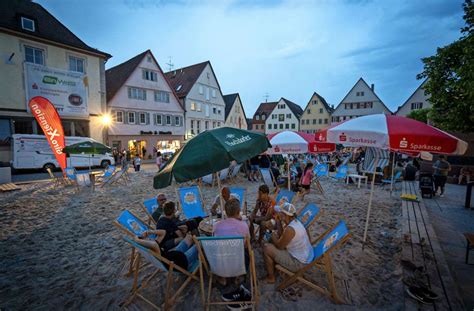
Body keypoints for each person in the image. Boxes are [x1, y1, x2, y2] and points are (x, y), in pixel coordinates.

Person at [214, 198, 253, 307]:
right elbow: (247, 244)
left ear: (225, 212)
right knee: (247, 252)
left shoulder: (216, 226)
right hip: (237, 264)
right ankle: (237, 281)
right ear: (238, 211)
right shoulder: (243, 225)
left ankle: (226, 282)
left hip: (221, 263)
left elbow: (216, 242)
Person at [263, 202, 314, 284]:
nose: (278, 213)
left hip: (298, 263)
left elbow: (280, 246)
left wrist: (272, 232)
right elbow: (282, 236)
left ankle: (271, 277)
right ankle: (273, 264)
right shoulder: (295, 222)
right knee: (274, 238)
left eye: (280, 212)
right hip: (306, 256)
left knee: (266, 248)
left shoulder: (290, 229)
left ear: (285, 215)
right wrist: (278, 222)